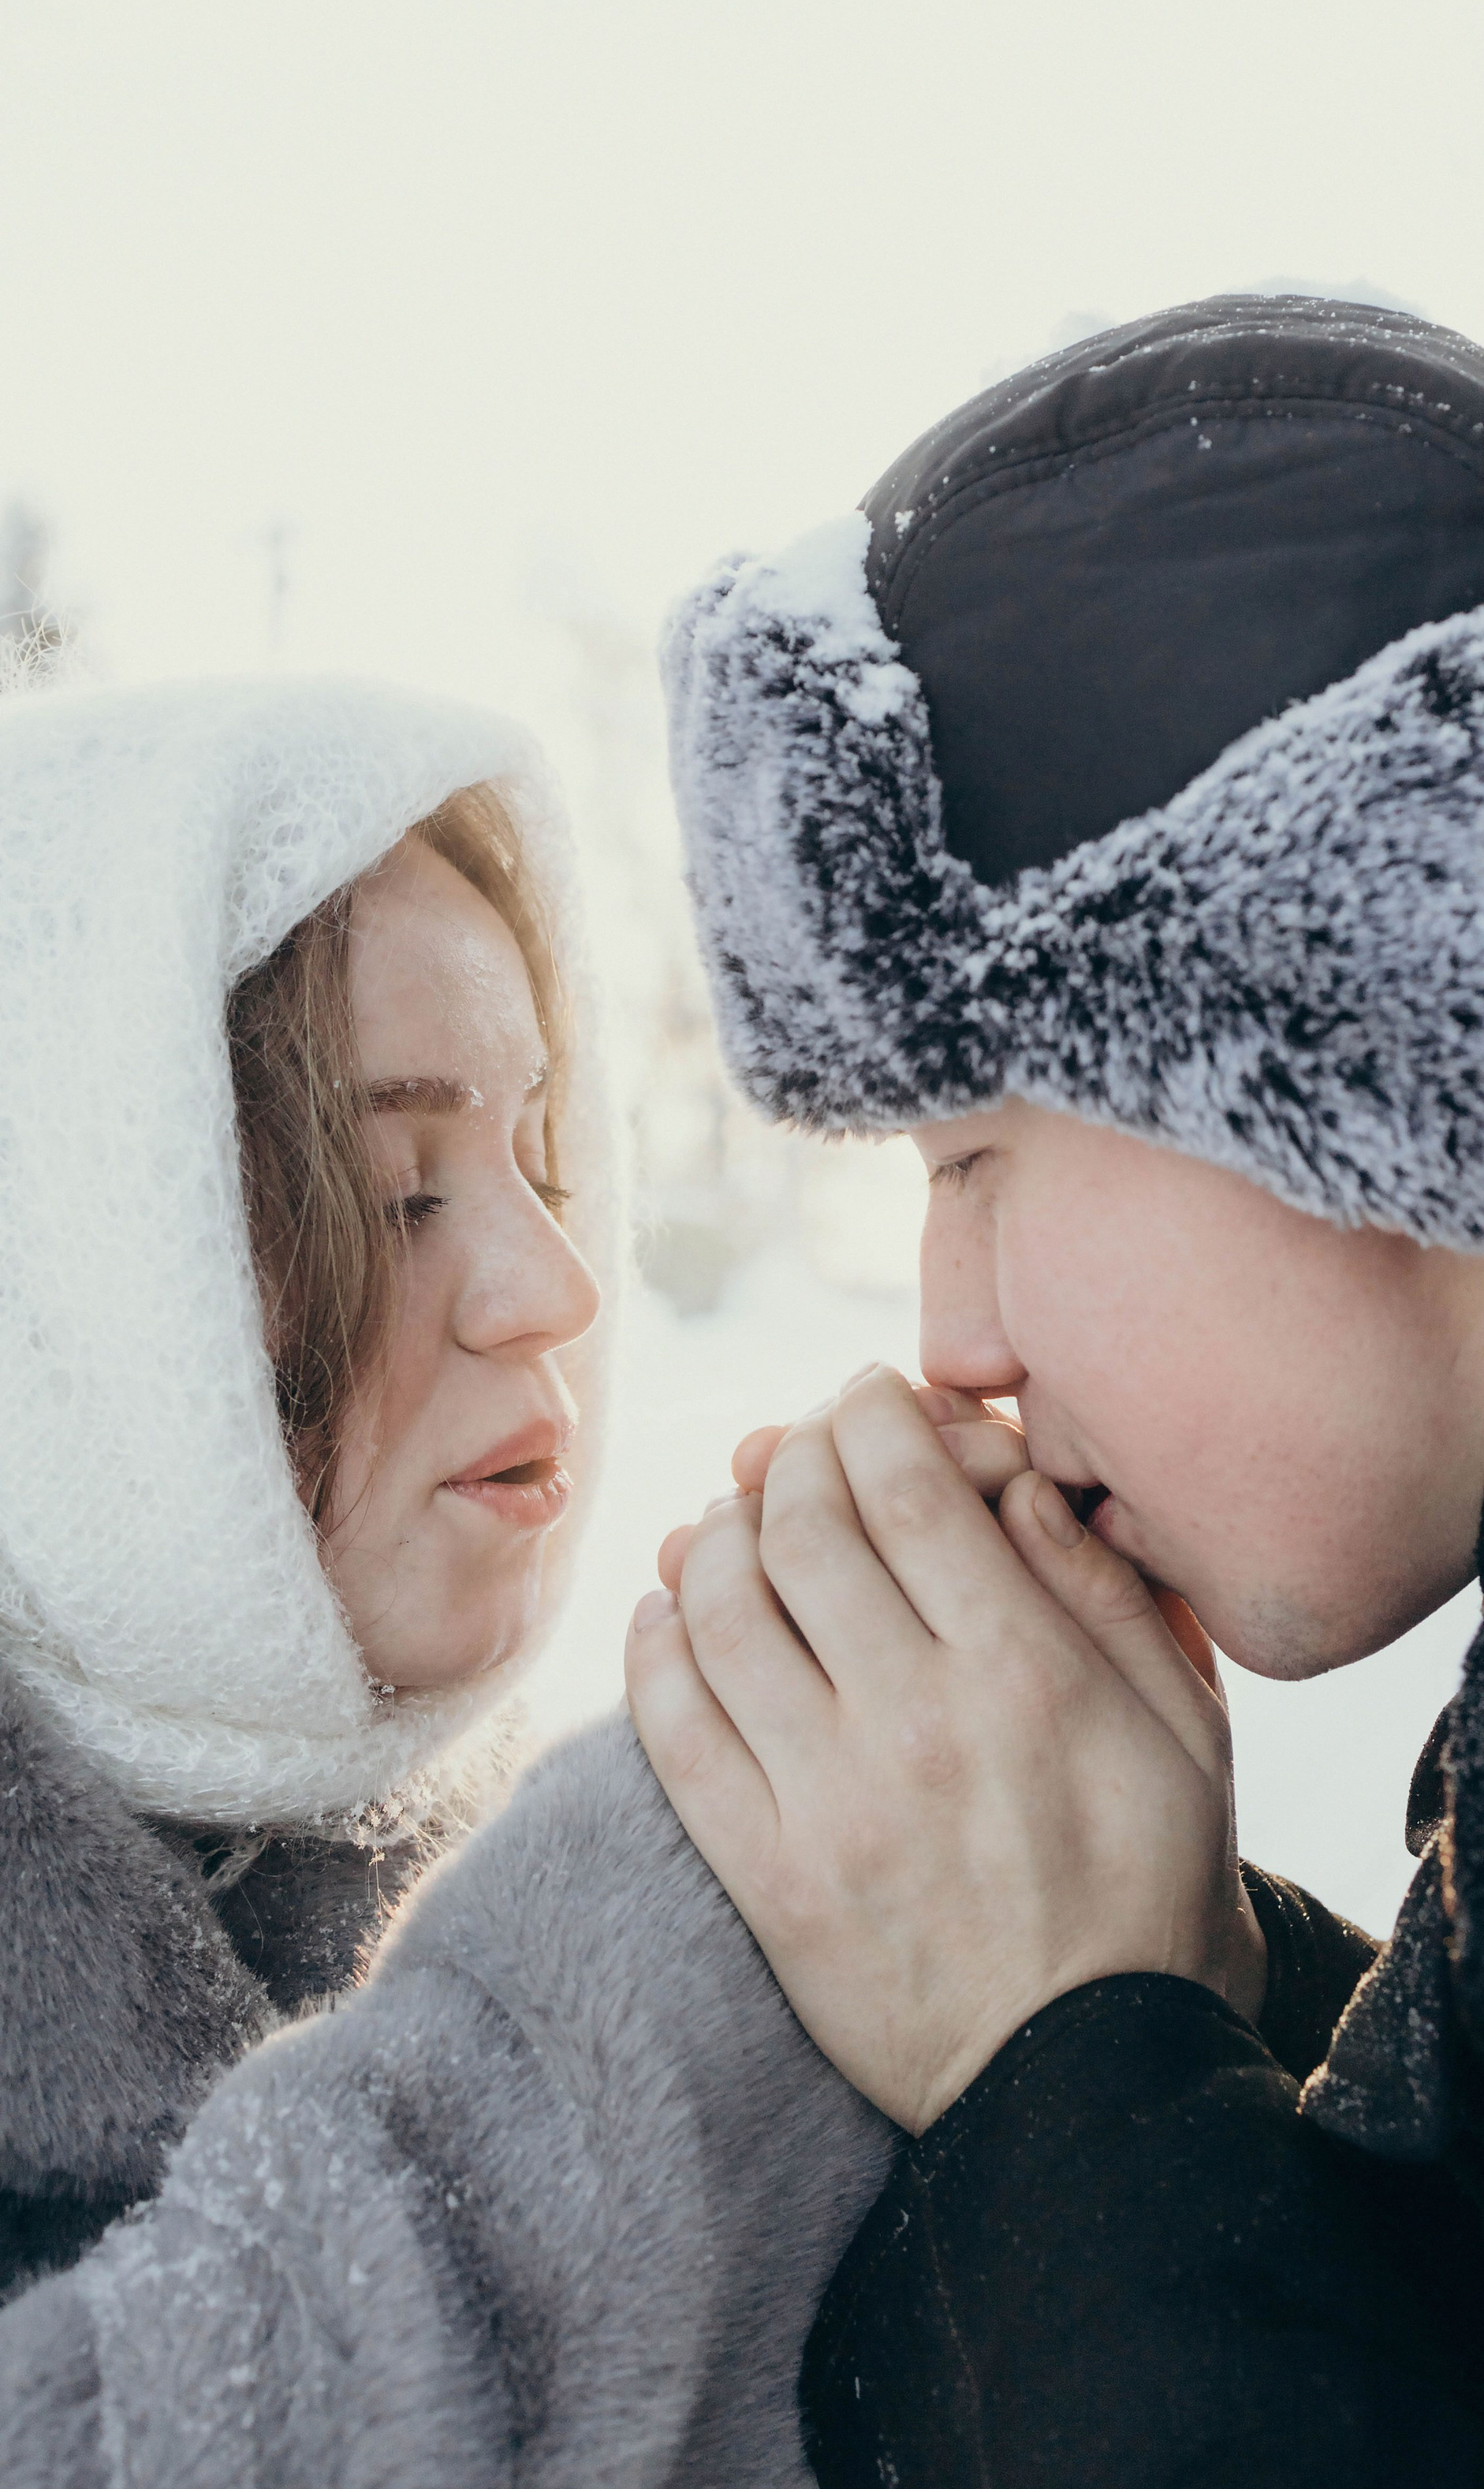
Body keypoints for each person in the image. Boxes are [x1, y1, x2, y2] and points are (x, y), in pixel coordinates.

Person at [632, 294, 1484, 2483]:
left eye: (980, 1153)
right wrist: (1181, 1971)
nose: (955, 1335)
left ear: (1370, 1022)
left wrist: (1067, 2087)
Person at [0, 677, 889, 2484]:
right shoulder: (634, 1915)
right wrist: (632, 1989)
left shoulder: (558, 1854)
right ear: (74, 1289)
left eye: (541, 1155)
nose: (554, 1284)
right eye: (398, 1191)